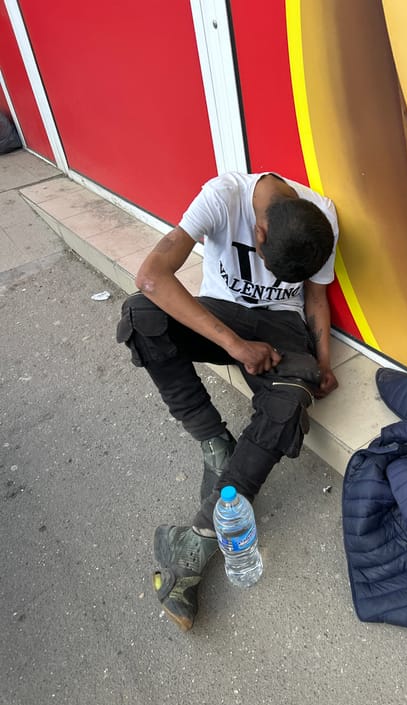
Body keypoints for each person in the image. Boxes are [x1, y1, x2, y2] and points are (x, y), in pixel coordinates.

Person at [117, 171, 339, 630]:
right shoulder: (223, 195)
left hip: (280, 326)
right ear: (260, 232)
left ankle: (197, 538)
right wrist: (236, 346)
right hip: (222, 314)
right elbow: (151, 276)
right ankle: (214, 442)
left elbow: (315, 298)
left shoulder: (321, 217)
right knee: (140, 315)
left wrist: (322, 363)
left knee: (294, 396)